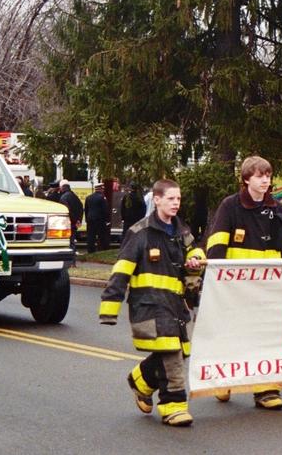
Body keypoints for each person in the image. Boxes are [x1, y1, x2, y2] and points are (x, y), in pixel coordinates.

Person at [98, 179, 205, 427]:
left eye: (178, 199)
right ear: (156, 200)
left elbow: (194, 251)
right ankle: (174, 406)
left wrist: (196, 258)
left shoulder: (181, 230)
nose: (176, 203)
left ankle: (141, 380)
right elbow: (121, 271)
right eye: (170, 198)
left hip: (177, 306)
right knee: (172, 357)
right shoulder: (140, 233)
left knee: (178, 353)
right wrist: (109, 307)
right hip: (149, 306)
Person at [205, 155, 282, 410]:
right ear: (246, 179)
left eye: (268, 175)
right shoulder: (230, 206)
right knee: (233, 334)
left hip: (269, 287)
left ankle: (266, 389)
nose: (265, 180)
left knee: (267, 335)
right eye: (259, 175)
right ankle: (223, 379)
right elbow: (217, 244)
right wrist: (216, 280)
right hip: (235, 287)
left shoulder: (277, 208)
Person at [84, 183, 110, 253]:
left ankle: (90, 251)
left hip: (90, 219)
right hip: (99, 220)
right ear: (101, 189)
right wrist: (107, 220)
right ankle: (101, 250)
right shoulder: (102, 197)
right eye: (103, 189)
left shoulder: (88, 197)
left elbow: (86, 209)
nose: (103, 190)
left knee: (90, 236)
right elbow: (105, 210)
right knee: (101, 236)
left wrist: (87, 219)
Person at [59, 179, 83, 250]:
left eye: (60, 188)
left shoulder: (63, 197)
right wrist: (79, 220)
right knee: (72, 240)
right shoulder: (74, 196)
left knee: (68, 242)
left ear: (62, 187)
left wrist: (75, 220)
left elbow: (67, 211)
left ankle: (71, 256)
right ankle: (73, 254)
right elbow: (81, 207)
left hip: (68, 223)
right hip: (74, 223)